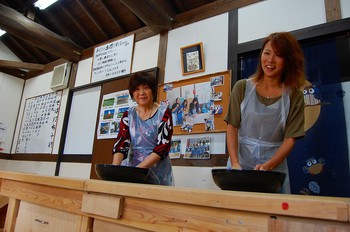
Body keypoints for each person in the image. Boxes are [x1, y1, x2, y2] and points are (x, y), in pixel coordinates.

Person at [225, 32, 306, 193]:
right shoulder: (242, 87)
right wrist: (235, 163)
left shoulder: (294, 96)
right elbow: (232, 128)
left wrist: (268, 166)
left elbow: (290, 139)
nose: (270, 60)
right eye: (267, 53)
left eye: (278, 55)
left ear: (288, 60)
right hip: (239, 166)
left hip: (274, 169)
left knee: (274, 214)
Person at [112, 71, 174, 186]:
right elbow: (121, 143)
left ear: (153, 91)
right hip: (132, 168)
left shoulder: (164, 112)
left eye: (146, 88)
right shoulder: (128, 115)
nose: (141, 93)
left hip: (157, 171)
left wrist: (139, 169)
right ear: (132, 93)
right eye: (136, 89)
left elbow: (163, 147)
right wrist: (114, 170)